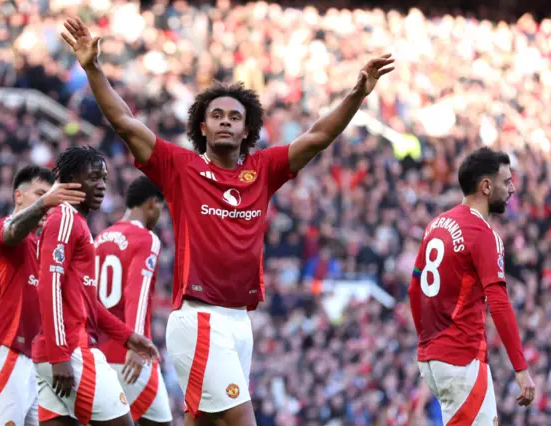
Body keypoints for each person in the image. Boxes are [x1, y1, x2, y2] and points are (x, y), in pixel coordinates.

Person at [61, 16, 393, 426]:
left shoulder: (264, 169)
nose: (224, 121)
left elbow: (318, 136)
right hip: (200, 317)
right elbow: (126, 123)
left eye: (234, 117)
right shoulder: (180, 168)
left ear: (247, 129)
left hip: (240, 321)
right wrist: (93, 69)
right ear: (202, 126)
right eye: (216, 115)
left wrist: (357, 94)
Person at [33, 146, 161, 426]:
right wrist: (59, 355)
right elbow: (48, 286)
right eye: (93, 177)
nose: (101, 185)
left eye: (103, 178)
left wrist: (129, 337)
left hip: (57, 353)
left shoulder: (79, 225)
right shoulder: (64, 217)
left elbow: (89, 304)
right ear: (70, 180)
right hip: (70, 350)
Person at [408, 147, 536, 424]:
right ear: (486, 186)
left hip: (431, 358)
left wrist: (428, 342)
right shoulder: (482, 234)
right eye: (507, 181)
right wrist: (520, 368)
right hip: (460, 358)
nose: (512, 189)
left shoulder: (436, 224)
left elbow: (413, 289)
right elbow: (499, 303)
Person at [0, 165, 86, 426]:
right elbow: (12, 232)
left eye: (50, 196)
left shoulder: (43, 247)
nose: (47, 204)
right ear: (18, 196)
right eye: (39, 194)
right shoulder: (4, 230)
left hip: (33, 364)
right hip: (4, 354)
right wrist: (46, 203)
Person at [95, 175, 171, 426]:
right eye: (161, 207)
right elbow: (134, 293)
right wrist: (135, 344)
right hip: (130, 353)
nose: (160, 214)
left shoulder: (100, 239)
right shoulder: (146, 239)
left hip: (98, 351)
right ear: (151, 203)